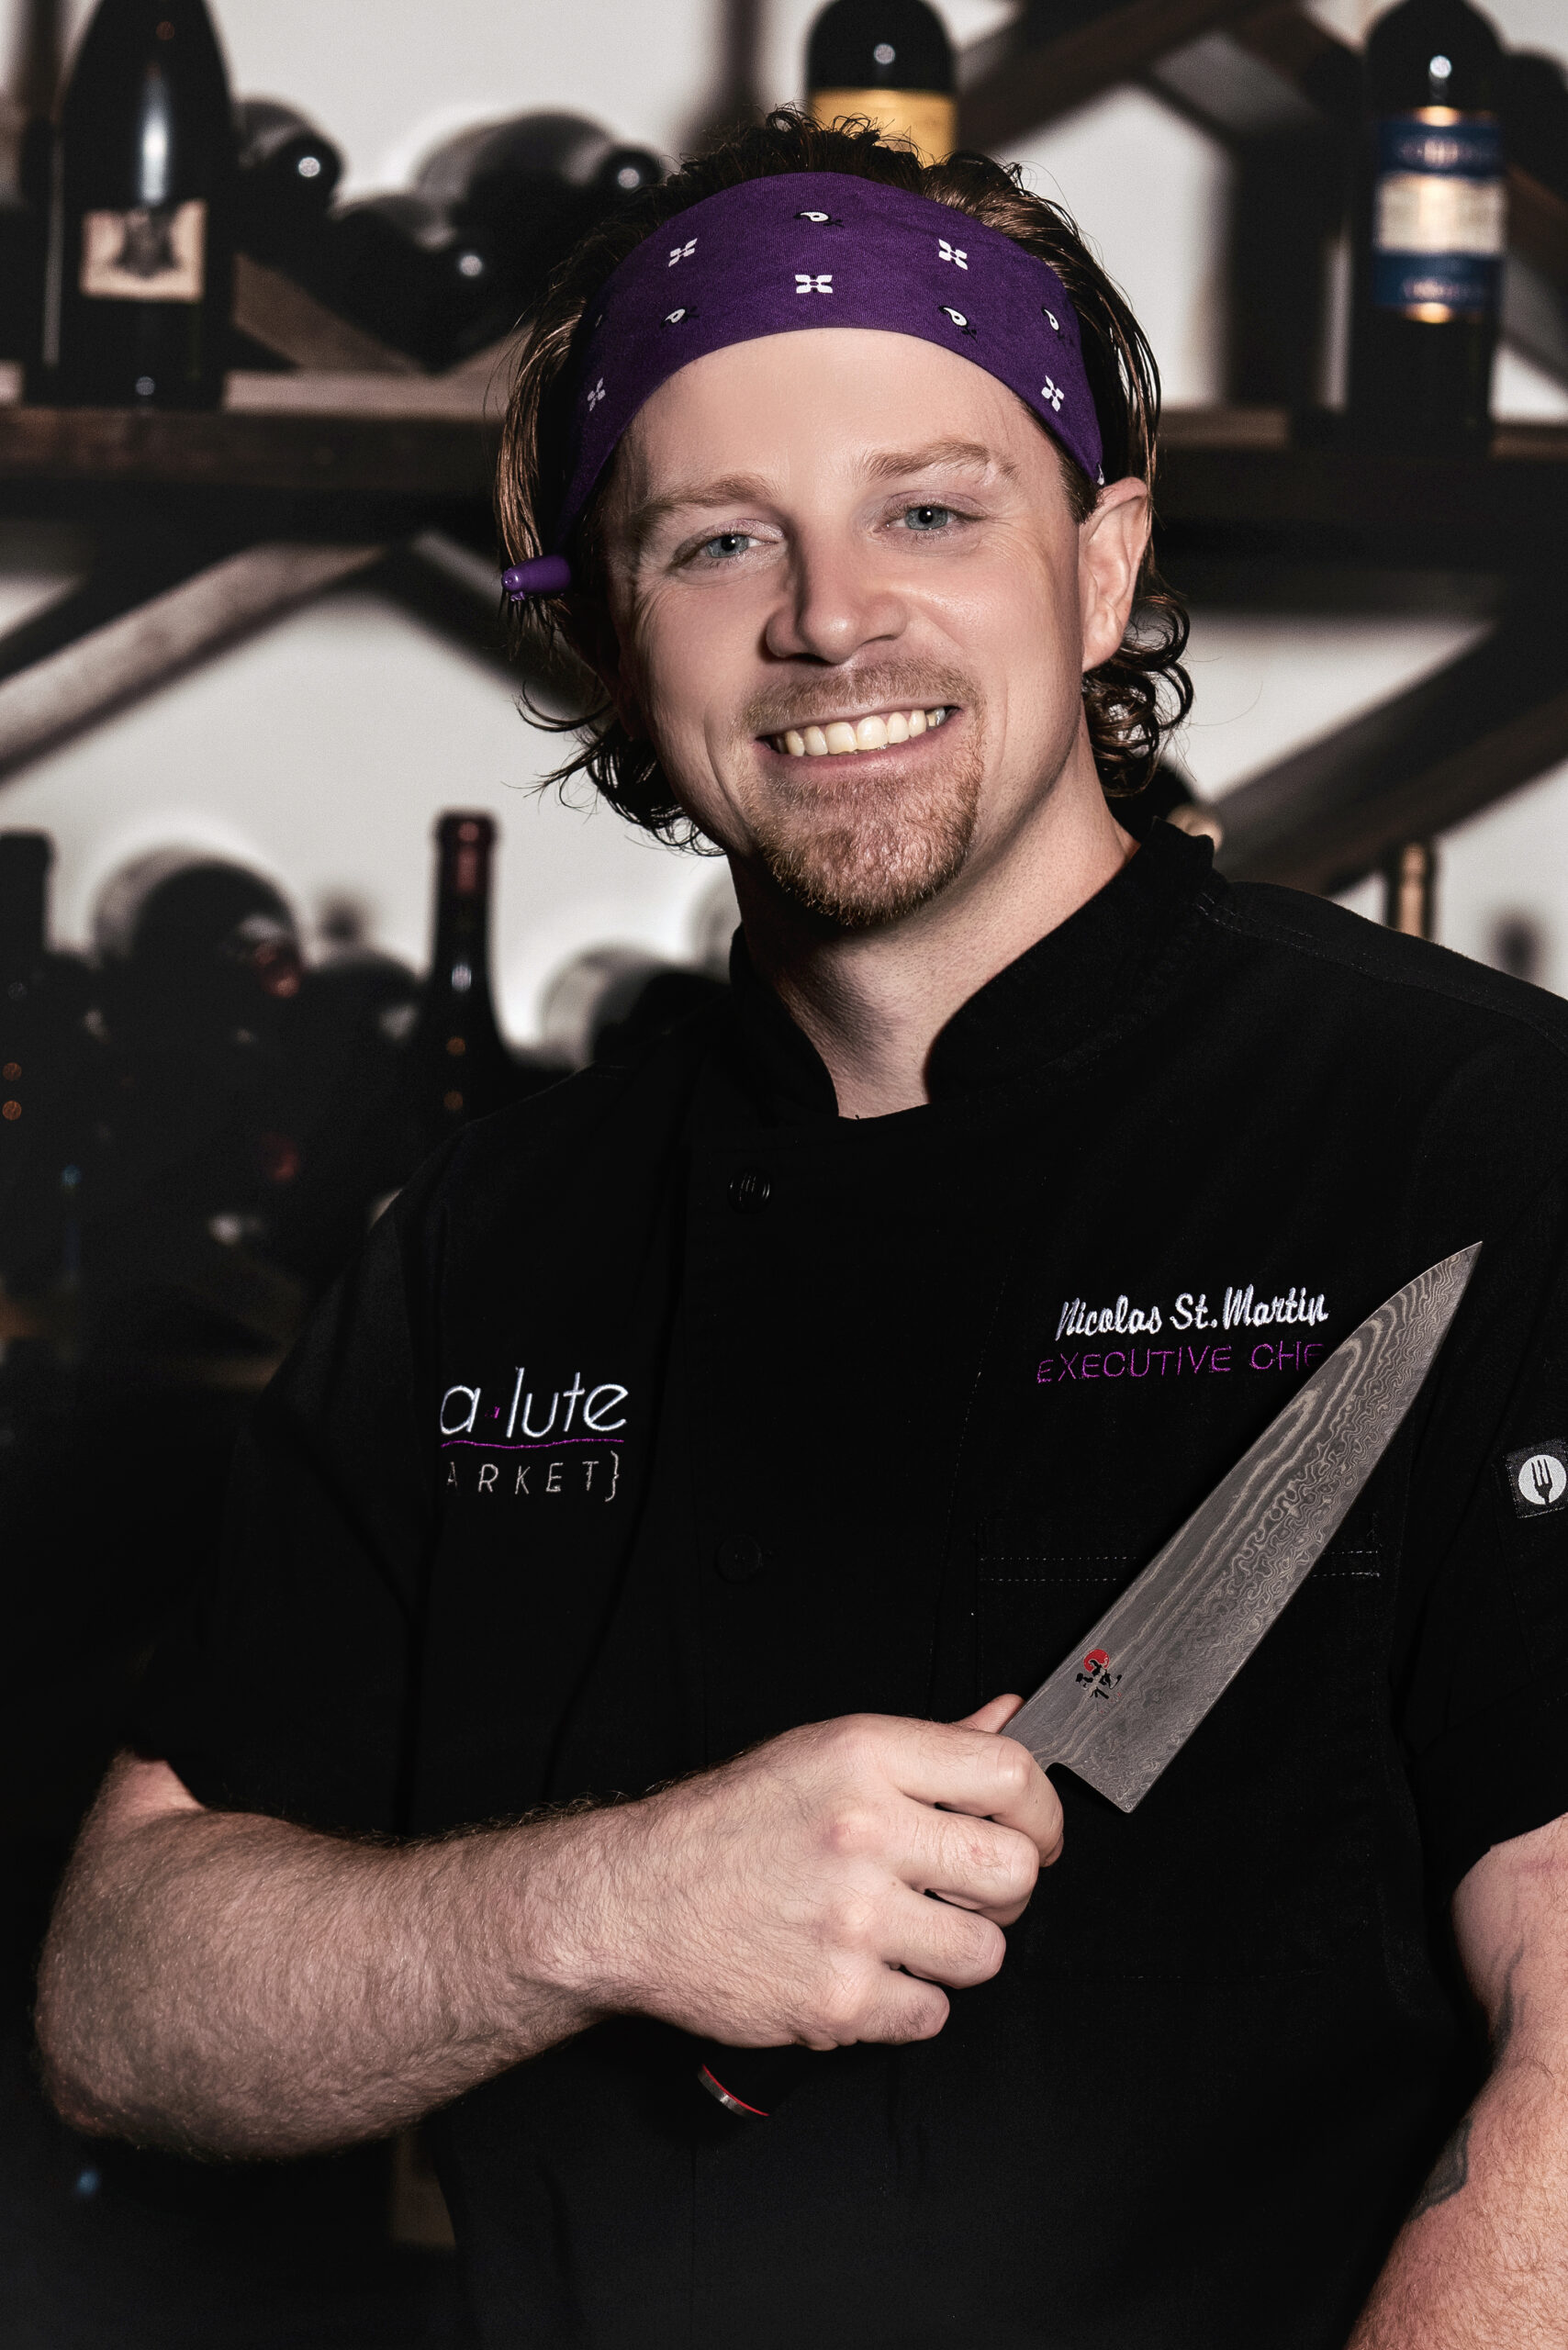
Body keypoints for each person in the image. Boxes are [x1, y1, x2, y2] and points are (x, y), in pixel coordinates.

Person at [36, 113, 1568, 2350]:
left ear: (1103, 559)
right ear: (600, 639)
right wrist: (611, 1899)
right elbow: (119, 1996)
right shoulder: (487, 1238)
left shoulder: (1483, 1143)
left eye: (930, 510)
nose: (830, 615)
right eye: (716, 538)